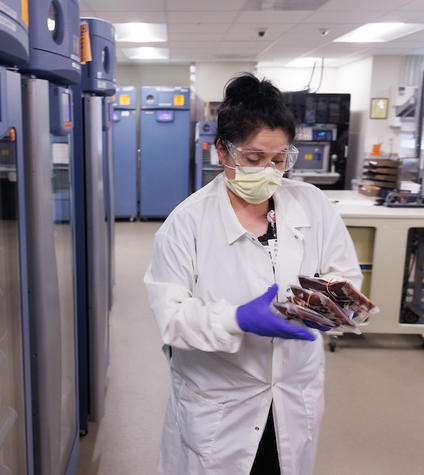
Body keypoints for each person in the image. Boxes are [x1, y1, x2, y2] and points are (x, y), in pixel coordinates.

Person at [144, 73, 362, 475]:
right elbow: (172, 318)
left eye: (279, 160)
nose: (268, 171)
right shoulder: (186, 223)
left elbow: (344, 274)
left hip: (294, 394)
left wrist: (330, 304)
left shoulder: (312, 205)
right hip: (221, 405)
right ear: (221, 152)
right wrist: (236, 319)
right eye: (254, 158)